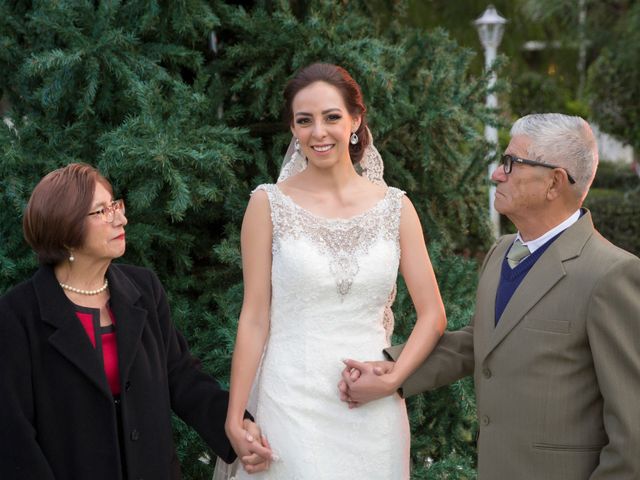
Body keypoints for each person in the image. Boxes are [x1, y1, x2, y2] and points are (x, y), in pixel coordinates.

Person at [340, 113, 640, 479]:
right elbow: (482, 341)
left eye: (512, 163)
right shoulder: (500, 252)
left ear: (554, 183)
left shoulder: (611, 275)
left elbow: (633, 435)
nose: (497, 173)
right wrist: (393, 370)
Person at [219, 63, 447, 479]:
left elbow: (433, 314)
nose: (318, 132)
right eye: (304, 121)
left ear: (356, 120)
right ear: (293, 129)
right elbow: (254, 317)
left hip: (373, 409)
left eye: (331, 117)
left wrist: (393, 378)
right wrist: (236, 417)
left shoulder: (396, 207)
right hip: (290, 402)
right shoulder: (267, 205)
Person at [0, 163, 271, 479]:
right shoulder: (18, 315)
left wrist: (238, 427)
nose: (121, 218)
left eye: (115, 205)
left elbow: (181, 376)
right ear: (65, 231)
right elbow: (13, 434)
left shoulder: (143, 289)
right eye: (102, 212)